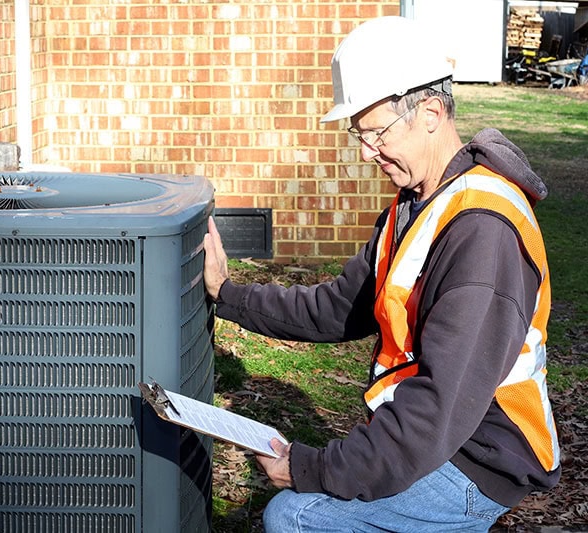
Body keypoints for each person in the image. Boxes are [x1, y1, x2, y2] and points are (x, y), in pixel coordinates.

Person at [203, 16, 560, 532]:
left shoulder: (483, 232)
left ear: (431, 113)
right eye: (360, 134)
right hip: (441, 434)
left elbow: (439, 406)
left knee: (295, 517)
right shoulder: (417, 204)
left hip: (478, 459)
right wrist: (227, 294)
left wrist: (312, 469)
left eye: (376, 132)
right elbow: (338, 308)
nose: (367, 151)